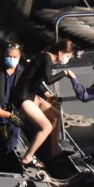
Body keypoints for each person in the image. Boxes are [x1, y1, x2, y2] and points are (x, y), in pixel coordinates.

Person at [12, 40, 75, 168]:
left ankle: (55, 149)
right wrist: (64, 73)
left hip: (30, 93)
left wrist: (47, 95)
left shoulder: (46, 58)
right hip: (22, 96)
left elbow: (37, 79)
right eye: (67, 56)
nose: (67, 59)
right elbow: (48, 80)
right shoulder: (46, 57)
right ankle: (27, 158)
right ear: (60, 52)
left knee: (56, 115)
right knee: (46, 127)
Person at [0, 42, 25, 168]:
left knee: (13, 136)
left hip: (14, 113)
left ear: (19, 57)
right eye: (9, 56)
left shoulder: (22, 74)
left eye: (14, 57)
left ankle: (6, 163)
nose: (11, 59)